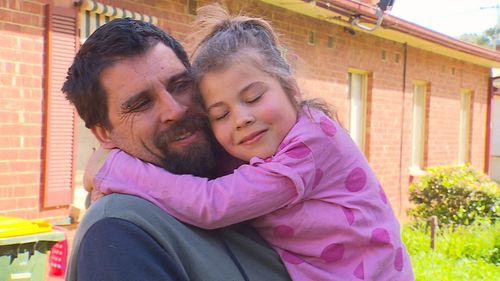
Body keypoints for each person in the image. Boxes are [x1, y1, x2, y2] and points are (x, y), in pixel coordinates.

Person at [89, 4, 414, 281]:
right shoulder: (114, 230)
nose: (241, 118)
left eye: (254, 96)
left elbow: (211, 203)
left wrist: (115, 169)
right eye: (219, 114)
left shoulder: (309, 144)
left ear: (292, 88)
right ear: (103, 132)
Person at [62, 17, 291, 281]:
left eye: (181, 85)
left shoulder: (243, 172)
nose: (175, 109)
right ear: (104, 134)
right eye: (141, 104)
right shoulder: (118, 231)